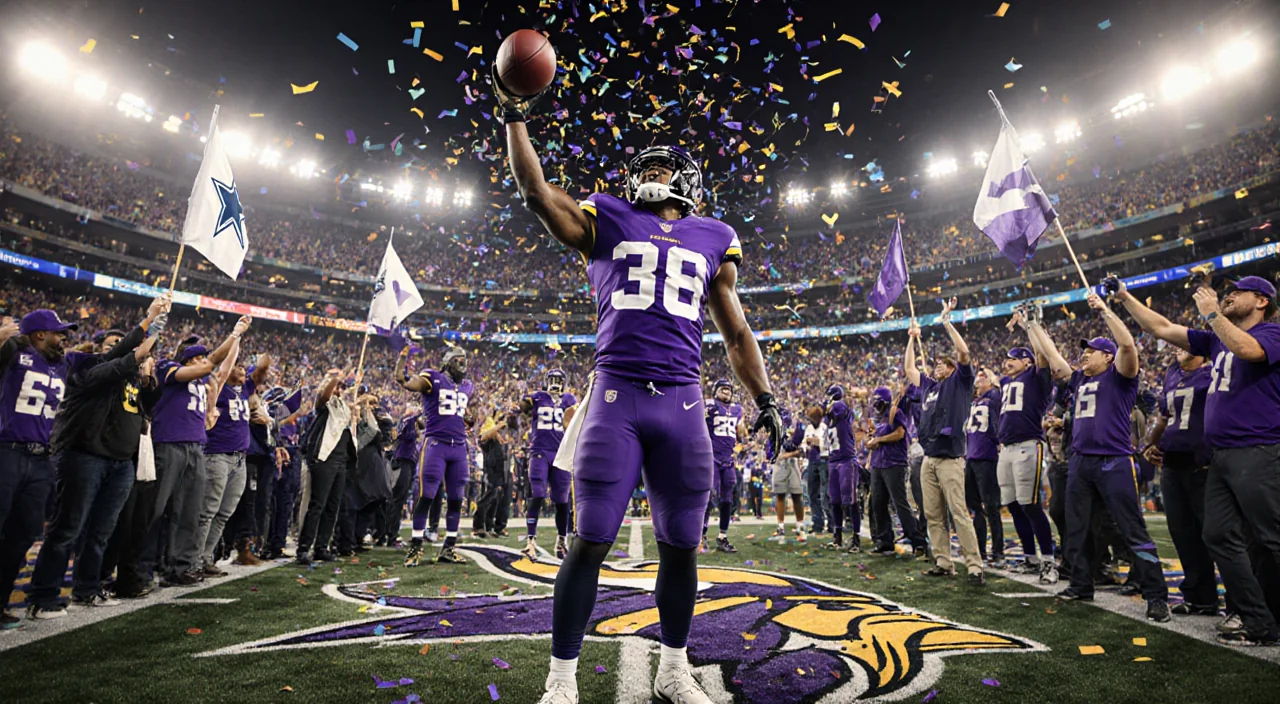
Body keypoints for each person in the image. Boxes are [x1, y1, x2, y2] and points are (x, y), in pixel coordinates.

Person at [497, 75, 783, 704]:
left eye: (663, 165)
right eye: (645, 164)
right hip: (616, 397)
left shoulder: (714, 234)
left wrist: (764, 397)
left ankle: (673, 669)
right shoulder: (608, 214)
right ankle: (561, 680)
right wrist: (515, 115)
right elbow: (536, 192)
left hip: (682, 403)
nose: (653, 172)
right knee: (592, 536)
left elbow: (735, 329)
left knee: (682, 543)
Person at [1115, 275, 1280, 644]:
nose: (1229, 295)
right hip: (1222, 456)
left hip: (1259, 449)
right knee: (1217, 535)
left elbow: (1249, 351)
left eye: (1238, 292)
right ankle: (1257, 619)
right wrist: (1125, 297)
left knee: (1270, 538)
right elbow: (1160, 326)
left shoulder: (1272, 333)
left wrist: (1210, 315)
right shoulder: (1215, 339)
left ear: (1261, 301)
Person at [1026, 292, 1171, 622]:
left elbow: (1129, 347)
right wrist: (1033, 325)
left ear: (1108, 357)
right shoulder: (1078, 379)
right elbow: (1053, 357)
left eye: (1091, 352)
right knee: (1077, 528)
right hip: (1080, 460)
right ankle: (1081, 583)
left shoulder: (1121, 377)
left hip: (1114, 459)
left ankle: (1156, 595)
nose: (1084, 356)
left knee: (1131, 527)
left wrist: (1105, 310)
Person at [25, 295, 168, 618]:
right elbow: (118, 361)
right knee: (68, 529)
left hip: (121, 462)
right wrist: (151, 325)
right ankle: (43, 595)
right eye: (113, 343)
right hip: (85, 456)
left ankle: (87, 589)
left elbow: (147, 400)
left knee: (101, 533)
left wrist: (149, 343)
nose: (121, 348)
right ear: (101, 347)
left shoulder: (130, 377)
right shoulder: (82, 368)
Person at [144, 317, 250, 587]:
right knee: (155, 510)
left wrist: (236, 337)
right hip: (168, 444)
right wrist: (232, 335)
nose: (205, 363)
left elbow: (219, 366)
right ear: (190, 361)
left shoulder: (205, 384)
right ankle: (146, 566)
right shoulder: (168, 368)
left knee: (189, 511)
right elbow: (215, 360)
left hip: (196, 447)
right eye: (200, 358)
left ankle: (182, 567)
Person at [0, 310, 77, 625]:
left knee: (23, 535)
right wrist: (4, 334)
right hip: (7, 451)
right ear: (38, 334)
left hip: (41, 458)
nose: (63, 338)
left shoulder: (61, 366)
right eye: (57, 333)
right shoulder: (13, 355)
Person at [906, 298, 984, 585]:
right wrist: (911, 341)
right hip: (929, 457)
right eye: (935, 363)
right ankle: (943, 561)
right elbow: (910, 371)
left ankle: (975, 565)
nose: (937, 366)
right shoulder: (930, 387)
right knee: (933, 513)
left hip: (951, 457)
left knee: (959, 512)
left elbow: (963, 352)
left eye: (942, 363)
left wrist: (947, 323)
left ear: (952, 368)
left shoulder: (960, 383)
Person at [1143, 348, 1220, 616]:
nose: (1178, 347)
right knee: (1182, 533)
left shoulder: (1214, 372)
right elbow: (1164, 417)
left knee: (1215, 534)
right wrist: (1150, 444)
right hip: (1172, 462)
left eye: (1185, 343)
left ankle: (1243, 602)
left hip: (1203, 462)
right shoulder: (1173, 374)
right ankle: (1200, 597)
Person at [394, 346, 475, 566]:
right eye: (458, 361)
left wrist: (469, 419)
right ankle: (416, 547)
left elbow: (461, 412)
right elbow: (406, 381)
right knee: (426, 496)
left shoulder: (467, 386)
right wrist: (402, 361)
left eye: (464, 361)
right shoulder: (432, 377)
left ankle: (448, 548)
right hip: (436, 445)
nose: (463, 366)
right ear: (448, 362)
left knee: (457, 499)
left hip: (459, 447)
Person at [999, 306, 1059, 583]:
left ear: (1026, 361)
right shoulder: (1006, 381)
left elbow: (1043, 356)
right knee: (1012, 505)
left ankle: (1049, 561)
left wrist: (1028, 326)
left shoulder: (1035, 377)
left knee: (1031, 504)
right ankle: (1030, 558)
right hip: (1006, 448)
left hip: (1027, 445)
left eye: (1013, 359)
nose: (1006, 363)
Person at [194, 342, 262, 577]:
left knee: (223, 513)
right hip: (217, 455)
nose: (242, 370)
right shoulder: (218, 386)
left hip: (239, 459)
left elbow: (261, 370)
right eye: (238, 366)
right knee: (208, 511)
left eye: (244, 367)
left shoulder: (243, 391)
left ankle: (205, 558)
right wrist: (237, 337)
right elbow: (222, 371)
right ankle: (193, 561)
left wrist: (264, 358)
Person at [296, 369, 358, 564]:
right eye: (337, 386)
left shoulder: (343, 407)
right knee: (318, 504)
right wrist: (336, 378)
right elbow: (324, 395)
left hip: (341, 460)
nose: (340, 389)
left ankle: (322, 546)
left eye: (341, 387)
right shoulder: (324, 404)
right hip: (325, 459)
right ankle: (304, 548)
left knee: (333, 507)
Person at [521, 369, 578, 560]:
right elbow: (524, 407)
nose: (555, 383)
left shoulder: (569, 399)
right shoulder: (538, 397)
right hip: (539, 451)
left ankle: (561, 540)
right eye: (552, 380)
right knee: (537, 493)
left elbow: (575, 419)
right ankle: (530, 540)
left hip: (561, 453)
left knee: (561, 500)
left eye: (559, 380)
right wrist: (525, 402)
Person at [866, 386, 928, 557]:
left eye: (878, 402)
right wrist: (871, 443)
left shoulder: (895, 412)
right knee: (878, 504)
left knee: (900, 504)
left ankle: (918, 541)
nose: (876, 406)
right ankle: (884, 542)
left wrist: (879, 439)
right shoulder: (878, 419)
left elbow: (900, 433)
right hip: (878, 464)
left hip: (894, 464)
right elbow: (876, 440)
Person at [965, 367, 1005, 567]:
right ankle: (980, 548)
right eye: (978, 376)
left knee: (991, 505)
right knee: (974, 506)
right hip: (971, 457)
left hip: (987, 456)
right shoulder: (974, 400)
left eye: (984, 376)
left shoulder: (995, 396)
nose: (979, 379)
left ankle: (998, 551)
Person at [702, 379, 745, 553]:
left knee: (727, 498)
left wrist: (741, 441)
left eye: (729, 390)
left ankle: (722, 536)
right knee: (709, 494)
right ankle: (701, 535)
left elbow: (741, 432)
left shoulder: (737, 409)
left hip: (728, 460)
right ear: (715, 391)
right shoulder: (709, 405)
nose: (726, 392)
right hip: (712, 457)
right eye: (723, 389)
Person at [823, 385, 859, 553]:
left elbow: (836, 408)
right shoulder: (829, 419)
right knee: (835, 500)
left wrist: (829, 405)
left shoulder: (840, 406)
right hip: (833, 460)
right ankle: (837, 536)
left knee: (850, 500)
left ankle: (856, 538)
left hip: (846, 459)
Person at [383, 408, 423, 547]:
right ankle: (391, 535)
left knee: (399, 499)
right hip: (403, 463)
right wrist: (414, 415)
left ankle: (390, 534)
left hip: (407, 464)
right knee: (397, 499)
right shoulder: (406, 422)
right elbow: (411, 431)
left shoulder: (407, 424)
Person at [769, 409, 806, 543]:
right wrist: (793, 452)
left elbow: (796, 447)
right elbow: (776, 452)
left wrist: (794, 451)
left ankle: (800, 526)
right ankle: (780, 527)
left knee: (797, 495)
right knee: (780, 495)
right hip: (780, 463)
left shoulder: (795, 430)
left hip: (792, 463)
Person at [803, 409, 829, 537]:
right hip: (812, 461)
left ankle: (832, 524)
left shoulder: (825, 428)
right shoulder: (808, 428)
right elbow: (806, 442)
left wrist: (815, 441)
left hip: (824, 460)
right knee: (812, 493)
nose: (811, 421)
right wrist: (814, 441)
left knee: (826, 493)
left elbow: (824, 444)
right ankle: (817, 523)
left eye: (812, 418)